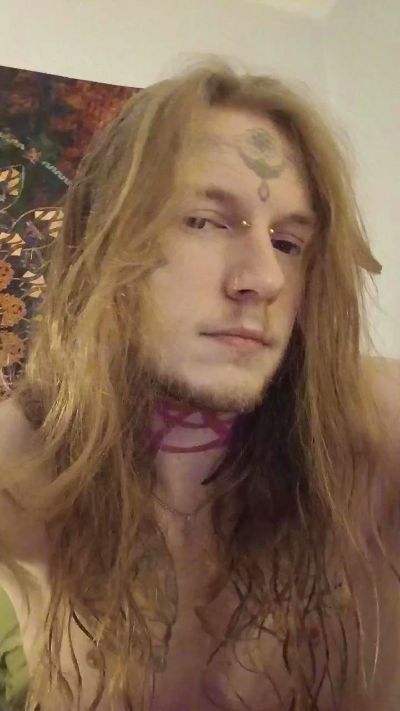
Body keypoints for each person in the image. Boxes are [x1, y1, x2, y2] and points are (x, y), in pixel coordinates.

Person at [0, 57, 399, 711]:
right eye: (206, 221)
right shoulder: (21, 476)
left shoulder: (369, 444)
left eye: (288, 242)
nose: (263, 279)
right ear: (104, 243)